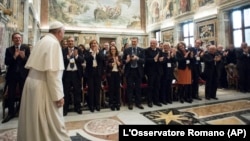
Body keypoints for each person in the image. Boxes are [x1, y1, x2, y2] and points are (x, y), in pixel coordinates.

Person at [17, 21, 71, 141]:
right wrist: (58, 96)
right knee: (53, 121)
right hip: (43, 85)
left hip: (32, 82)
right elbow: (53, 73)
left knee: (34, 119)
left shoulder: (42, 41)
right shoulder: (54, 44)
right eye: (63, 32)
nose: (64, 35)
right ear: (58, 32)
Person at [2, 32, 30, 123]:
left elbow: (30, 62)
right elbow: (6, 62)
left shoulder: (26, 48)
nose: (18, 40)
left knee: (23, 94)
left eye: (19, 38)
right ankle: (11, 113)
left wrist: (23, 57)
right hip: (12, 76)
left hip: (23, 75)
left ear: (21, 39)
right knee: (11, 94)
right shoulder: (9, 49)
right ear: (12, 40)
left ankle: (22, 112)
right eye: (16, 38)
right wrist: (14, 56)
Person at [122, 37, 145, 110]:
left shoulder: (141, 50)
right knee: (130, 88)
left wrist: (137, 58)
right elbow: (123, 60)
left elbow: (144, 61)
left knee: (138, 88)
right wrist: (127, 60)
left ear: (137, 42)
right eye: (132, 41)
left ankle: (138, 103)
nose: (133, 43)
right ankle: (130, 103)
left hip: (138, 71)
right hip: (130, 71)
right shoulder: (127, 50)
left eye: (135, 41)